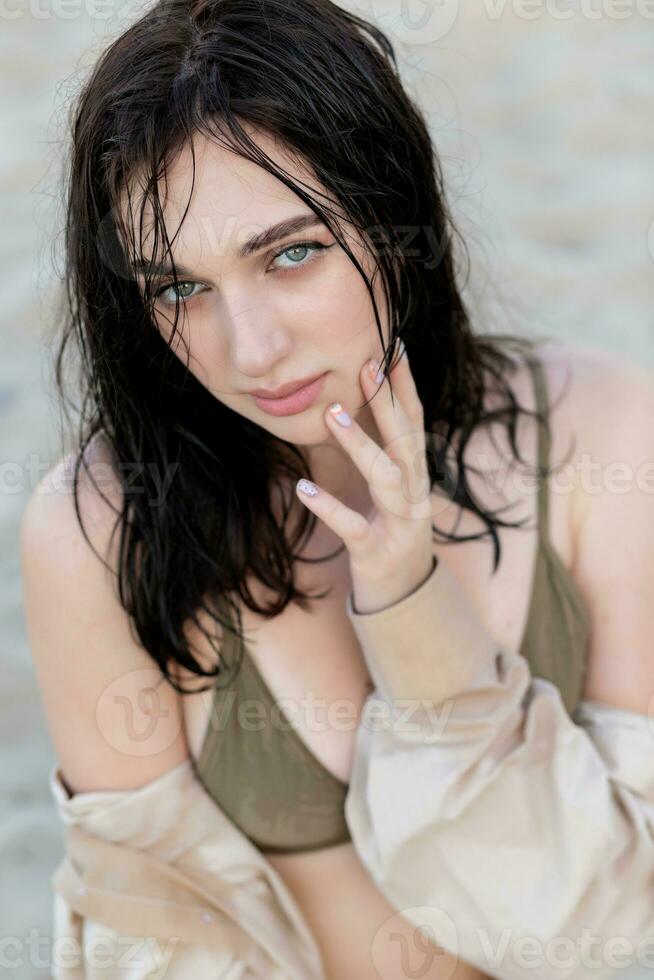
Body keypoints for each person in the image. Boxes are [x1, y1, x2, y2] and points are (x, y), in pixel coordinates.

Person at [20, 0, 654, 977]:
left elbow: (604, 926)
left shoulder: (602, 439)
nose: (251, 350)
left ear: (393, 222)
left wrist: (411, 607)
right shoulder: (100, 528)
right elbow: (153, 944)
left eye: (290, 253)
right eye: (179, 287)